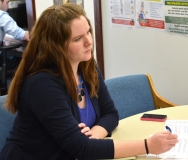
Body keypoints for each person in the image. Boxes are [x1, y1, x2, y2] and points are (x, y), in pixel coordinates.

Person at [0, 3, 178, 159]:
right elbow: (81, 149)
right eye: (78, 39)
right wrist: (148, 145)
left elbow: (110, 114)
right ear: (55, 47)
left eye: (88, 32)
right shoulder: (42, 84)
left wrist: (92, 136)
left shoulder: (87, 67)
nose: (89, 42)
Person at [0, 0, 29, 70]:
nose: (8, 6)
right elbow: (22, 35)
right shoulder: (1, 15)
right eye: (7, 3)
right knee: (24, 61)